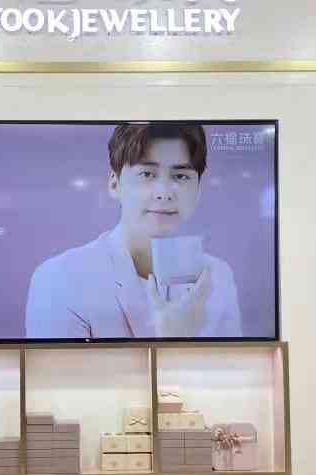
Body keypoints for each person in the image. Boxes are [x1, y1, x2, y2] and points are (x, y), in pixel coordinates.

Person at [25, 122, 242, 338]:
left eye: (180, 176)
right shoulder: (61, 278)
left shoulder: (218, 276)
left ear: (198, 190)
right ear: (114, 183)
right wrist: (174, 338)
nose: (164, 193)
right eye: (147, 174)